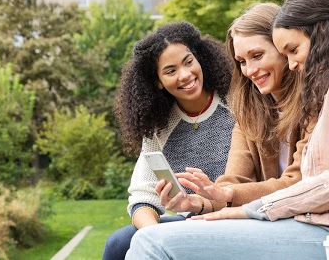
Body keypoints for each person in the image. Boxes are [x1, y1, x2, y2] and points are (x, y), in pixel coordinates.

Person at [125, 0, 329, 259]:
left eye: (289, 50)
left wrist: (248, 210)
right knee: (144, 239)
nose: (290, 64)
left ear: (316, 35)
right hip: (318, 223)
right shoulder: (258, 105)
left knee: (150, 242)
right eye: (242, 61)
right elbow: (234, 179)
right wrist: (205, 202)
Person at [101, 21, 235, 260]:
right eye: (170, 71)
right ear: (158, 82)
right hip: (188, 222)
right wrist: (155, 237)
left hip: (235, 217)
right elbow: (143, 199)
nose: (185, 75)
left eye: (188, 62)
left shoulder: (235, 104)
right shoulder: (159, 127)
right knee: (119, 243)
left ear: (199, 58)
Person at [164, 2, 308, 218]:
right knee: (122, 241)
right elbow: (233, 181)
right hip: (260, 219)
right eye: (241, 61)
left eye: (257, 56)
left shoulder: (314, 104)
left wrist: (227, 193)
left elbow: (299, 182)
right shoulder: (250, 114)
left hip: (299, 219)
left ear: (284, 49)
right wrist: (198, 203)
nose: (249, 71)